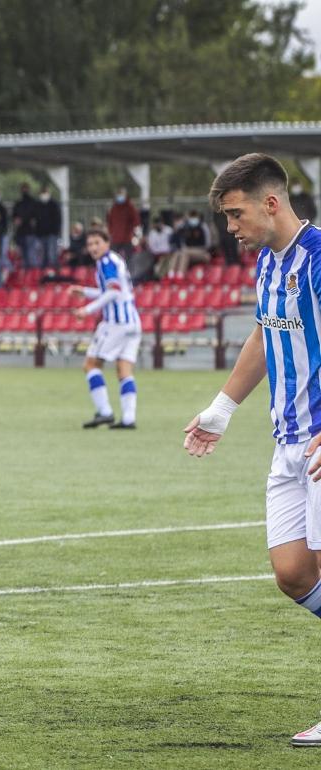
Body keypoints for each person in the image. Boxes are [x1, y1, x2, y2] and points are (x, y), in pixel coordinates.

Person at [181, 153, 321, 747]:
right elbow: (267, 333)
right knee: (293, 574)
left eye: (235, 214)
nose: (230, 228)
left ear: (271, 202)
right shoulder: (268, 262)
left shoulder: (318, 257)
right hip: (287, 443)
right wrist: (222, 407)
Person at [68, 227, 140, 430]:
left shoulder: (105, 261)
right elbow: (109, 290)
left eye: (97, 243)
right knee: (124, 370)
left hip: (116, 323)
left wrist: (87, 309)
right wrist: (85, 292)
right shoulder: (116, 260)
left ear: (107, 243)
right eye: (90, 244)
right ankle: (128, 419)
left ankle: (105, 412)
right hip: (133, 322)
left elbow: (113, 291)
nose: (93, 248)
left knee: (91, 365)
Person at [162, 210, 211, 280]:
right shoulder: (186, 227)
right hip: (188, 252)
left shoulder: (203, 226)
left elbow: (207, 244)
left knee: (184, 252)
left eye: (194, 217)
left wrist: (191, 250)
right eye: (191, 217)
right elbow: (177, 238)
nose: (192, 219)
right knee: (178, 253)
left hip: (202, 251)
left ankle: (179, 274)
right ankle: (172, 274)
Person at [106, 187, 141, 263]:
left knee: (129, 259)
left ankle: (129, 273)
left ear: (125, 195)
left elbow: (136, 221)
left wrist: (134, 232)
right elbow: (110, 221)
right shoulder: (113, 207)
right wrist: (110, 232)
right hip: (115, 238)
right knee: (113, 258)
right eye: (118, 195)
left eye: (121, 195)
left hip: (127, 238)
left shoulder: (130, 207)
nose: (120, 197)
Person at [37, 187, 62, 269]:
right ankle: (44, 273)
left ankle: (55, 271)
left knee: (52, 254)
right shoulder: (39, 205)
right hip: (42, 233)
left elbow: (58, 219)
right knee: (43, 255)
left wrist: (56, 231)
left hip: (52, 233)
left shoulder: (54, 204)